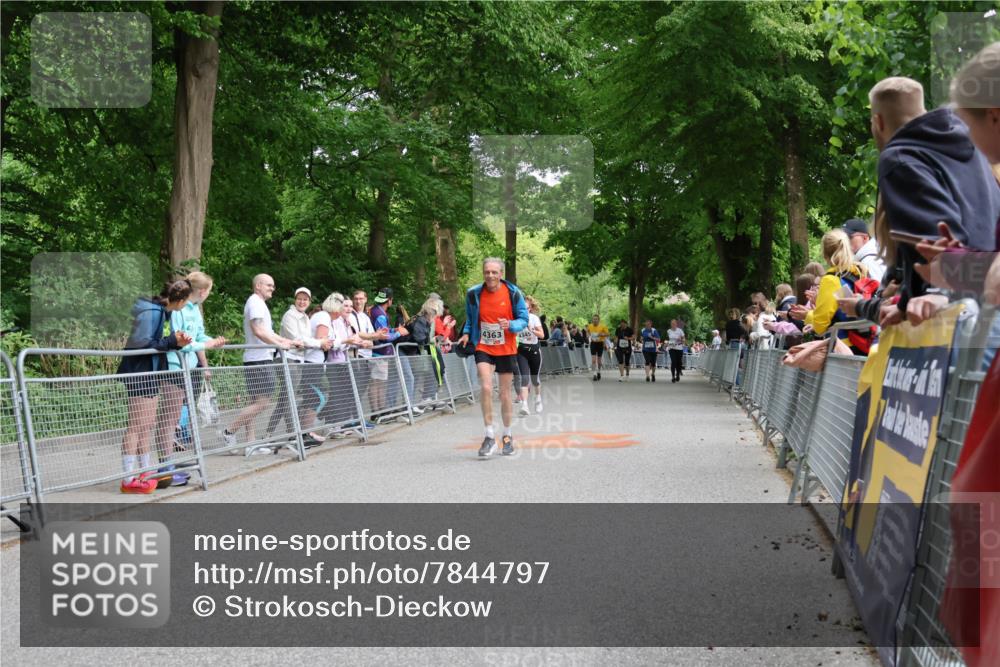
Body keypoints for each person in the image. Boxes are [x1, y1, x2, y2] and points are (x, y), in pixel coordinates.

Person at [869, 76, 1000, 325]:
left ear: (878, 122)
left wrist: (934, 296)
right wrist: (907, 301)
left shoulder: (898, 158)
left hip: (958, 318)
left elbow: (931, 244)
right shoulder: (975, 148)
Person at [117, 280, 193, 493]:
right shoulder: (153, 312)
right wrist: (171, 342)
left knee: (148, 424)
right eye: (185, 302)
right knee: (136, 425)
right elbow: (141, 344)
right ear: (179, 300)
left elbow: (156, 342)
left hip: (152, 371)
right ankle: (128, 478)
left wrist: (174, 341)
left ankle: (145, 471)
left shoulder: (162, 312)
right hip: (140, 371)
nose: (184, 306)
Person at [456, 257, 529, 457]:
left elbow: (523, 318)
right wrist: (465, 333)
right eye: (487, 272)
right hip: (483, 345)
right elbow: (471, 319)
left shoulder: (514, 293)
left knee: (504, 394)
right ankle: (489, 436)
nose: (490, 276)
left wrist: (511, 325)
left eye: (494, 272)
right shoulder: (473, 293)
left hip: (506, 347)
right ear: (483, 273)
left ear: (501, 274)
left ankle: (507, 436)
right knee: (486, 387)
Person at [222, 274, 300, 453]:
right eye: (269, 285)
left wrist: (287, 341)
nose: (272, 288)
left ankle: (251, 443)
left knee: (254, 401)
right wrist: (280, 344)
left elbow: (268, 332)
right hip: (259, 359)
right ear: (258, 286)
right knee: (263, 403)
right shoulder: (255, 302)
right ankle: (229, 431)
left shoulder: (258, 303)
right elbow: (258, 331)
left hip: (258, 358)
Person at [161, 272, 226, 485]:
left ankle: (168, 464)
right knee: (170, 419)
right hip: (174, 367)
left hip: (187, 367)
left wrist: (213, 341)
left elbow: (198, 337)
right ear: (202, 291)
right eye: (209, 291)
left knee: (174, 417)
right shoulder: (179, 308)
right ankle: (164, 468)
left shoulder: (195, 310)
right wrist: (204, 345)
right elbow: (181, 341)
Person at [267, 287, 329, 445]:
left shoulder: (305, 317)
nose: (302, 302)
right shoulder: (290, 315)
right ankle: (294, 434)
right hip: (287, 358)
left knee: (285, 398)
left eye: (305, 299)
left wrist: (311, 343)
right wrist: (319, 342)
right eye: (299, 299)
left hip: (298, 360)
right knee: (288, 398)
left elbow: (305, 341)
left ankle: (270, 434)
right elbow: (298, 340)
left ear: (309, 301)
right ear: (295, 300)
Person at [803, 229, 872, 355]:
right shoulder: (860, 272)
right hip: (866, 343)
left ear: (825, 254)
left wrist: (808, 316)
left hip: (843, 348)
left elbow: (820, 326)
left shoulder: (831, 280)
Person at [369, 288, 409, 420]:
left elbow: (384, 330)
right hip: (379, 352)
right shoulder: (380, 314)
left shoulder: (376, 310)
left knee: (381, 382)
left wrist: (395, 329)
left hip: (380, 352)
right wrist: (399, 333)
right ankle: (377, 412)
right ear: (390, 300)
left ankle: (382, 410)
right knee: (377, 382)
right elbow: (384, 336)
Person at [515, 296, 545, 415]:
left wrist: (532, 330)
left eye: (526, 308)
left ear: (530, 309)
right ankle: (525, 405)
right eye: (522, 308)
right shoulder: (517, 319)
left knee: (535, 380)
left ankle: (538, 399)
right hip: (522, 350)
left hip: (534, 351)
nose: (524, 310)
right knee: (525, 378)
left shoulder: (534, 319)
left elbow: (542, 335)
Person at [842, 218, 887, 283]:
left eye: (849, 237)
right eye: (844, 238)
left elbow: (879, 291)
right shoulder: (870, 255)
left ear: (865, 238)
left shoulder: (870, 261)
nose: (846, 241)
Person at [586, 314, 609, 381]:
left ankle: (599, 371)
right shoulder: (590, 326)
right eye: (593, 319)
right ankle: (594, 374)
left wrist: (601, 334)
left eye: (596, 319)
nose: (594, 320)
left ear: (598, 320)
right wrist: (588, 335)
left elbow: (607, 334)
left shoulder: (603, 326)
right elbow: (587, 331)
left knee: (599, 361)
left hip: (600, 343)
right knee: (593, 360)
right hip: (593, 343)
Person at [665, 318, 686, 383]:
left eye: (674, 323)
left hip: (679, 348)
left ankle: (678, 374)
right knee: (673, 361)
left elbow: (684, 340)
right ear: (670, 324)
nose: (673, 324)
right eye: (672, 323)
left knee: (679, 362)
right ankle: (673, 376)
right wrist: (667, 343)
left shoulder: (680, 330)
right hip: (672, 348)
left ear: (676, 324)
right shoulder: (669, 331)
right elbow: (668, 340)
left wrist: (681, 340)